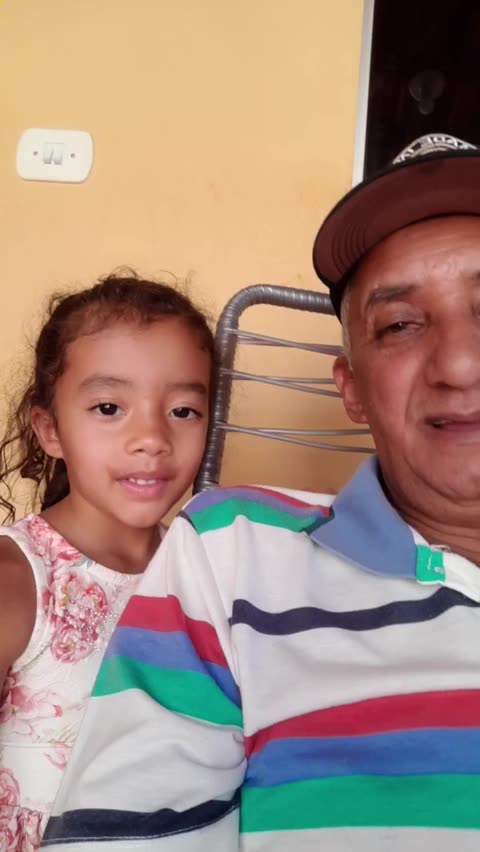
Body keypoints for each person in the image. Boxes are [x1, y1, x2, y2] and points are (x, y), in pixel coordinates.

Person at [42, 133, 480, 852]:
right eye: (401, 324)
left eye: (185, 410)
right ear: (351, 389)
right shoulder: (229, 557)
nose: (459, 364)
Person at [0, 272, 214, 850]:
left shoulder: (207, 572)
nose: (152, 437)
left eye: (184, 411)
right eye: (109, 407)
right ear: (50, 429)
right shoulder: (18, 578)